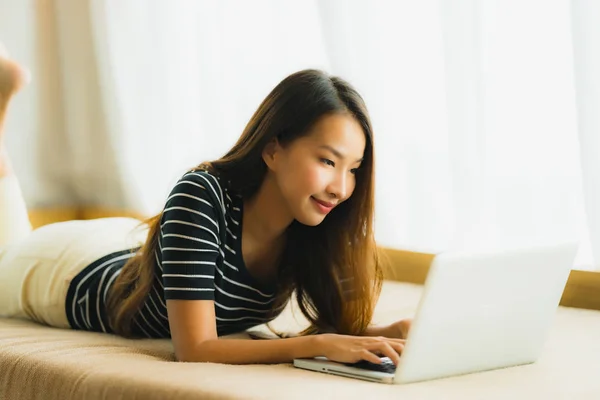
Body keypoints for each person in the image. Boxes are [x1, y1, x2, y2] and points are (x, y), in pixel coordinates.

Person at [0, 43, 411, 366]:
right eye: (327, 161)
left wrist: (385, 332)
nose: (341, 187)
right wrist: (315, 346)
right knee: (6, 253)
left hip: (123, 248)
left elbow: (333, 330)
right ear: (272, 150)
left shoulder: (313, 224)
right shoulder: (202, 193)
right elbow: (195, 347)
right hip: (64, 273)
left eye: (353, 169)